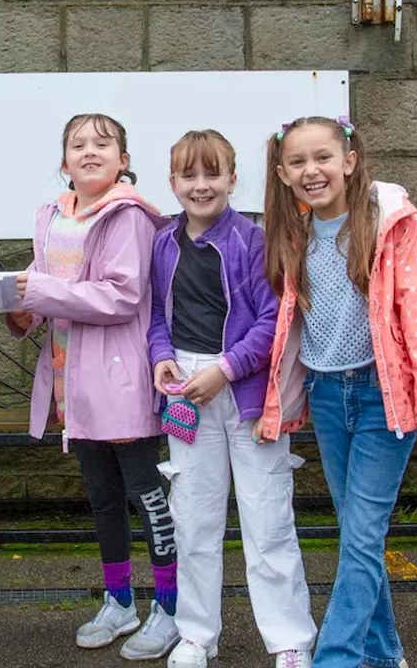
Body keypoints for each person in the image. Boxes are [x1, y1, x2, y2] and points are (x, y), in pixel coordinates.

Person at [256, 116, 417, 668]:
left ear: (348, 161)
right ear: (282, 173)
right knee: (357, 536)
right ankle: (385, 654)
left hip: (381, 397)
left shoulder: (390, 222)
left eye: (322, 157)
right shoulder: (293, 233)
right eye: (297, 162)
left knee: (363, 535)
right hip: (325, 394)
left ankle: (337, 658)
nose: (311, 170)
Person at [3, 113, 178, 661]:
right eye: (77, 144)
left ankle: (171, 607)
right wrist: (11, 308)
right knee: (102, 498)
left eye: (103, 144)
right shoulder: (53, 217)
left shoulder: (129, 217)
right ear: (63, 162)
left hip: (121, 379)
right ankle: (120, 599)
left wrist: (40, 292)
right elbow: (43, 289)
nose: (90, 152)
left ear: (124, 160)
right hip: (70, 382)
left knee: (146, 493)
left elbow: (121, 297)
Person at [147, 130, 316, 668]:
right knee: (192, 520)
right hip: (184, 394)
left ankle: (289, 640)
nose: (201, 186)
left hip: (246, 393)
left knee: (267, 522)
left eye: (212, 174)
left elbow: (273, 322)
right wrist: (160, 358)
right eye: (189, 176)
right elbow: (154, 314)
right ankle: (196, 634)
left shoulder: (252, 240)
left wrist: (224, 370)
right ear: (172, 183)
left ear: (232, 179)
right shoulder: (161, 242)